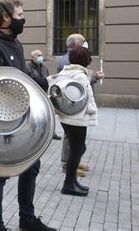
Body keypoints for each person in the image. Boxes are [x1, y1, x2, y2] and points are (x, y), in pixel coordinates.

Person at [0, 0, 55, 231]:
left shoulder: (16, 43)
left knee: (31, 166)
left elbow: (24, 79)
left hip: (23, 117)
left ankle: (27, 218)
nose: (23, 19)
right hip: (2, 121)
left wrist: (44, 81)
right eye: (20, 15)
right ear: (6, 17)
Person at [57, 34, 104, 176]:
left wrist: (93, 77)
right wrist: (93, 77)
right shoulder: (67, 61)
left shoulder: (73, 58)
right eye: (83, 42)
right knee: (71, 140)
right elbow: (74, 85)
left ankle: (73, 162)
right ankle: (68, 165)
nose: (86, 44)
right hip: (72, 108)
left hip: (76, 107)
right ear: (76, 44)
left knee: (75, 142)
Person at [57, 46, 98, 196]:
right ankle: (68, 184)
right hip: (77, 118)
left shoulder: (66, 71)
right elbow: (85, 98)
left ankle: (73, 181)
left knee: (76, 150)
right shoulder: (80, 75)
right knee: (76, 151)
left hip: (67, 117)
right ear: (85, 60)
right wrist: (91, 111)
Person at [27, 49, 61, 140]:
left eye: (41, 55)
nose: (40, 57)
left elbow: (46, 81)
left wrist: (50, 80)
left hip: (45, 94)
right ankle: (34, 134)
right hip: (34, 95)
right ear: (32, 57)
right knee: (35, 116)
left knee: (49, 114)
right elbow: (33, 81)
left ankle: (51, 133)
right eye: (38, 55)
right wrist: (48, 79)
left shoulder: (44, 68)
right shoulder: (28, 68)